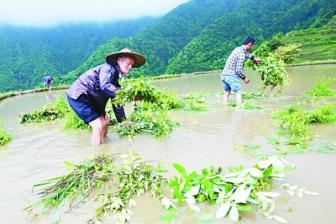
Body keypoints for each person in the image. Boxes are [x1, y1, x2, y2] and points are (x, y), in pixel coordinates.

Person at [66, 48, 146, 145]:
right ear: (119, 60)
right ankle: (98, 156)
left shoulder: (115, 77)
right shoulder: (108, 68)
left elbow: (116, 100)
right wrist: (127, 94)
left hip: (91, 99)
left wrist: (122, 121)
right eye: (128, 64)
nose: (130, 67)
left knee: (105, 120)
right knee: (98, 125)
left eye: (131, 65)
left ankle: (104, 144)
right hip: (79, 96)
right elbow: (105, 86)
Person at [221, 37, 261, 105]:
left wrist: (254, 59)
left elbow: (247, 54)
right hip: (231, 76)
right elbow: (238, 70)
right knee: (238, 92)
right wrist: (245, 78)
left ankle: (225, 106)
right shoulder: (241, 54)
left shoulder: (238, 49)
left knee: (227, 92)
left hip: (224, 75)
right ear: (249, 44)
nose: (252, 47)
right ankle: (239, 109)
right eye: (252, 45)